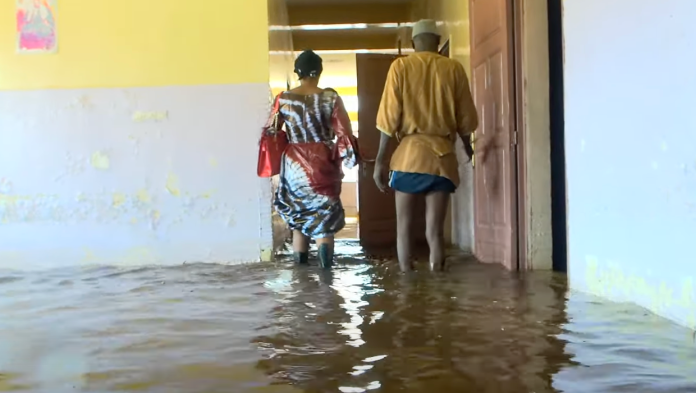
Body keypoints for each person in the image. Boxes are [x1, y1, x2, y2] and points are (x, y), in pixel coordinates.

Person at [373, 19, 482, 272]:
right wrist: (468, 149)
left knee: (404, 229)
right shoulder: (453, 69)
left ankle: (406, 284)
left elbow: (388, 119)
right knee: (435, 232)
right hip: (442, 160)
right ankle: (437, 281)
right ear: (438, 41)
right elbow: (466, 120)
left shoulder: (400, 67)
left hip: (408, 159)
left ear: (414, 43)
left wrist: (379, 160)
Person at [267, 50, 360, 269]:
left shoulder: (284, 98)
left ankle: (301, 282)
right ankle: (326, 281)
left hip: (293, 165)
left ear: (296, 72)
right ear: (319, 71)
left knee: (299, 221)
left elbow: (271, 132)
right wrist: (350, 161)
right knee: (324, 223)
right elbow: (344, 134)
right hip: (322, 162)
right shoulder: (331, 98)